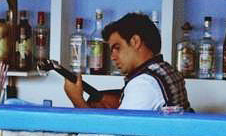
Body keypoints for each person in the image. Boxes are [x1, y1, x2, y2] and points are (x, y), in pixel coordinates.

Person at [64, 12, 192, 111]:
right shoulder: (165, 69)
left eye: (117, 48)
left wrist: (77, 99)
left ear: (135, 41)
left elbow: (114, 134)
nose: (112, 57)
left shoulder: (144, 84)